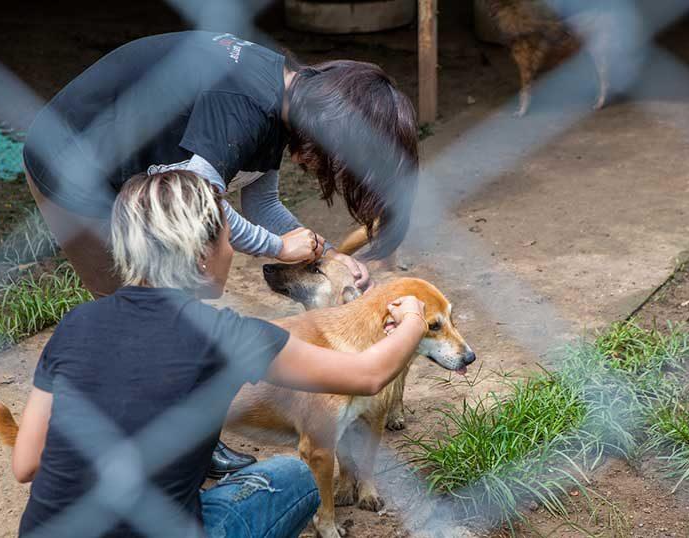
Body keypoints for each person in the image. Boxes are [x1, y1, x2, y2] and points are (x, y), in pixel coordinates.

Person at [22, 31, 419, 475]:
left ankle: (180, 439)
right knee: (138, 310)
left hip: (129, 173)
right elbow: (198, 209)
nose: (322, 169)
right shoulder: (247, 106)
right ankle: (137, 447)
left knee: (169, 314)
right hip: (70, 166)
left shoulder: (279, 96)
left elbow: (262, 204)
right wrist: (278, 247)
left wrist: (327, 257)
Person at [11, 170, 428, 538]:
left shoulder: (75, 325)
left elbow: (26, 465)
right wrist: (411, 315)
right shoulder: (222, 334)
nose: (232, 253)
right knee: (295, 474)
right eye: (228, 239)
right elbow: (369, 375)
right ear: (201, 251)